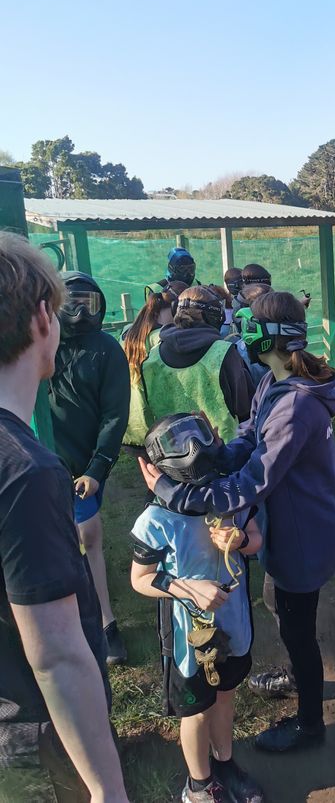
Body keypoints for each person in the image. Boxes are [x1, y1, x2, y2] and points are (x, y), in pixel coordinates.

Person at [139, 291, 335, 753]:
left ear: (269, 337)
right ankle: (296, 674)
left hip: (304, 537)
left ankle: (311, 722)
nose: (241, 332)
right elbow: (249, 439)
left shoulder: (295, 405)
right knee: (279, 603)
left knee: (298, 628)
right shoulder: (276, 383)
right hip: (289, 527)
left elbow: (254, 480)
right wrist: (211, 456)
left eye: (250, 326)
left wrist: (177, 493)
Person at [0, 234, 128, 802]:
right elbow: (55, 656)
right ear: (43, 318)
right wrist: (106, 790)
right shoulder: (25, 473)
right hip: (31, 738)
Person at [131, 413, 264, 803]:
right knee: (196, 711)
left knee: (225, 695)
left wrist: (239, 539)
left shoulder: (231, 497)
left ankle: (224, 762)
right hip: (189, 637)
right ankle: (199, 785)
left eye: (199, 436)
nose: (193, 449)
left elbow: (255, 540)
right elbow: (140, 579)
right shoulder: (156, 519)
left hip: (233, 621)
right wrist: (188, 589)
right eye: (179, 443)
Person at [49, 271, 131, 665]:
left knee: (88, 538)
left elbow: (115, 416)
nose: (80, 312)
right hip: (41, 463)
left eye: (89, 303)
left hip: (82, 468)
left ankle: (105, 624)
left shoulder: (106, 350)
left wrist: (97, 469)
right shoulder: (40, 343)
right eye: (72, 302)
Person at [142, 285, 255, 436]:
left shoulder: (153, 355)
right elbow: (244, 407)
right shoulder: (223, 352)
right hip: (222, 449)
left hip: (170, 449)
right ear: (214, 315)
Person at [122, 281, 186, 448]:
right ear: (174, 307)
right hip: (158, 426)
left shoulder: (130, 332)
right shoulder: (162, 337)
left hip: (132, 422)